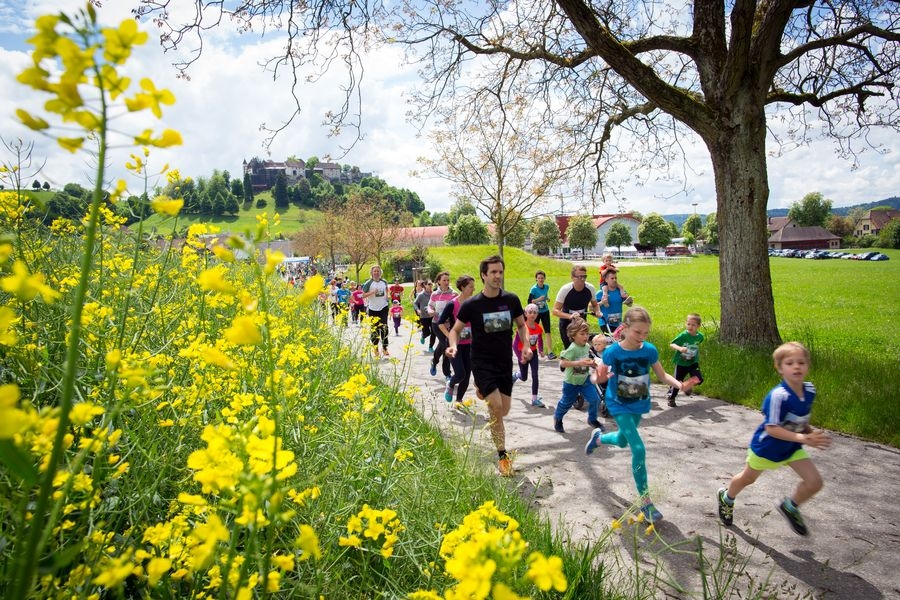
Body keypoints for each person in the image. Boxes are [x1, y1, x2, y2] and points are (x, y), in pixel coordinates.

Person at [716, 342, 831, 536]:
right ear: (780, 368)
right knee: (747, 479)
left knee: (814, 482)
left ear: (808, 366)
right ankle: (726, 498)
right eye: (790, 363)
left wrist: (809, 433)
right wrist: (804, 437)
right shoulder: (778, 396)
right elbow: (772, 429)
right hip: (767, 448)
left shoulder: (809, 390)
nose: (796, 367)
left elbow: (801, 417)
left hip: (792, 447)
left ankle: (790, 506)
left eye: (801, 362)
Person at [584, 306, 683, 523]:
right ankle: (646, 501)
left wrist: (679, 384)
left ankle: (599, 438)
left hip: (639, 402)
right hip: (617, 402)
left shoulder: (649, 350)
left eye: (645, 333)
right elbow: (599, 378)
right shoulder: (612, 352)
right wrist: (595, 377)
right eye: (638, 332)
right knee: (638, 448)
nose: (642, 337)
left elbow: (662, 374)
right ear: (625, 329)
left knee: (621, 440)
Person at [447, 255, 531, 477]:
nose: (497, 276)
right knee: (495, 407)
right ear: (484, 275)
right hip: (482, 362)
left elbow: (522, 326)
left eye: (500, 272)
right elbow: (455, 330)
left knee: (503, 410)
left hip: (504, 361)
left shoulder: (511, 300)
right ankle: (502, 456)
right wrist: (453, 346)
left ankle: (482, 390)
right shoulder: (472, 305)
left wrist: (525, 345)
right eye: (493, 272)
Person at [553, 316, 604, 432]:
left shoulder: (586, 347)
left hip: (585, 379)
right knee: (566, 403)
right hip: (571, 382)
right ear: (573, 335)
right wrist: (579, 362)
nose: (586, 336)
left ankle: (592, 419)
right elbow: (563, 363)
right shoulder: (572, 349)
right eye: (582, 334)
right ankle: (558, 418)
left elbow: (587, 360)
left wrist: (592, 364)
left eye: (587, 334)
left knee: (595, 399)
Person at [437, 275, 475, 407]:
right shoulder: (453, 304)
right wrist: (449, 336)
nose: (473, 289)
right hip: (455, 345)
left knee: (467, 374)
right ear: (463, 287)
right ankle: (451, 383)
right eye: (471, 287)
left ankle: (459, 400)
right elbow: (440, 323)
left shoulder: (473, 303)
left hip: (469, 345)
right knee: (460, 373)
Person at [552, 265, 600, 349]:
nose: (582, 279)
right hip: (567, 324)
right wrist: (570, 316)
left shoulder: (590, 288)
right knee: (570, 350)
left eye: (584, 276)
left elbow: (595, 305)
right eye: (579, 277)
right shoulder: (565, 289)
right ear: (572, 278)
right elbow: (555, 310)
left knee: (582, 349)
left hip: (581, 323)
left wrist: (598, 312)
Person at [512, 303, 546, 407]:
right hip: (522, 353)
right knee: (524, 377)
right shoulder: (522, 328)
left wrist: (540, 350)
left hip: (533, 353)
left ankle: (534, 399)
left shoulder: (538, 328)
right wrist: (519, 357)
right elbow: (514, 345)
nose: (533, 314)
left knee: (535, 375)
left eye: (535, 312)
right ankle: (516, 375)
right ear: (525, 314)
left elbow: (539, 340)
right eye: (530, 312)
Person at [667, 313, 704, 407]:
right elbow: (672, 344)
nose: (690, 326)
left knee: (699, 378)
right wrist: (680, 349)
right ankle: (671, 398)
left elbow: (697, 345)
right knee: (676, 382)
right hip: (681, 363)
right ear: (686, 324)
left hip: (693, 362)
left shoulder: (700, 337)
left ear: (698, 326)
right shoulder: (683, 335)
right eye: (688, 324)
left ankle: (687, 386)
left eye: (693, 325)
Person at [428, 272, 457, 379]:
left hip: (450, 325)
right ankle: (447, 374)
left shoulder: (454, 294)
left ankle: (434, 362)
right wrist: (431, 311)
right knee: (446, 345)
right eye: (444, 280)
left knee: (443, 344)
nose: (446, 282)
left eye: (448, 280)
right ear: (438, 281)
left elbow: (457, 307)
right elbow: (430, 305)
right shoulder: (435, 294)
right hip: (437, 324)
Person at [362, 265, 390, 358]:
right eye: (375, 271)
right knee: (375, 329)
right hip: (373, 309)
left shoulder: (384, 282)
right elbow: (363, 295)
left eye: (378, 271)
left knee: (384, 327)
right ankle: (375, 348)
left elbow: (387, 290)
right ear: (372, 273)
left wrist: (387, 296)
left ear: (380, 272)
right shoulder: (368, 283)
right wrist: (372, 292)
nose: (376, 273)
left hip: (383, 307)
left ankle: (385, 348)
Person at [527, 270, 556, 359]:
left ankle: (550, 352)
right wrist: (538, 299)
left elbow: (545, 295)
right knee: (533, 331)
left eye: (542, 278)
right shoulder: (534, 289)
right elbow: (529, 301)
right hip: (536, 313)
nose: (540, 280)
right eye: (539, 278)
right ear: (536, 279)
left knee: (547, 331)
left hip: (545, 311)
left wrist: (547, 298)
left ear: (544, 279)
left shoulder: (546, 287)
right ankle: (531, 350)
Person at [597, 268, 633, 336]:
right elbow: (592, 307)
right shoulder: (600, 293)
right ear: (606, 280)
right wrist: (602, 302)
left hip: (618, 322)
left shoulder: (621, 292)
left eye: (616, 278)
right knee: (611, 340)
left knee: (618, 341)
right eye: (612, 278)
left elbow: (629, 305)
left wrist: (629, 301)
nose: (615, 280)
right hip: (605, 323)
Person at [588, 332, 613, 418]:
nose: (597, 346)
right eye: (595, 344)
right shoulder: (592, 352)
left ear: (605, 345)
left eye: (599, 344)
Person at [413, 280, 434, 350]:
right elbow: (415, 303)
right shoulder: (421, 295)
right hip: (424, 316)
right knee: (427, 332)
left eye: (431, 284)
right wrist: (418, 310)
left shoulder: (434, 294)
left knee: (434, 332)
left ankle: (431, 347)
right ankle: (423, 336)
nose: (430, 285)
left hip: (433, 316)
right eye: (429, 284)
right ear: (425, 285)